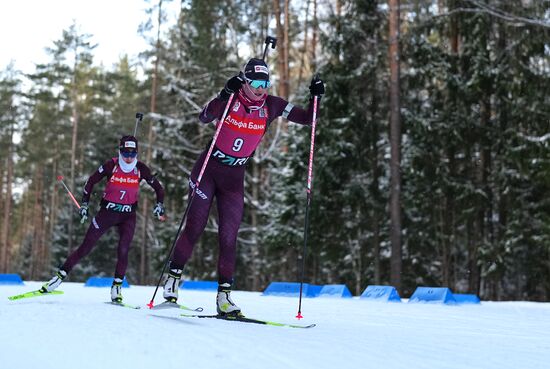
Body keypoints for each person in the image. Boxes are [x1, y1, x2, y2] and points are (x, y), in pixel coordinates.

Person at [162, 57, 325, 316]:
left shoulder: (272, 105)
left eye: (265, 83)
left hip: (234, 176)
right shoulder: (231, 99)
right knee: (196, 226)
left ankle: (224, 297)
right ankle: (172, 282)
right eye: (256, 83)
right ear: (245, 82)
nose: (262, 89)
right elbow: (204, 117)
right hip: (209, 168)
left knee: (229, 237)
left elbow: (307, 119)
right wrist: (225, 93)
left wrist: (316, 98)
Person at [41, 135, 165, 302]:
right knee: (86, 247)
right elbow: (90, 182)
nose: (129, 158)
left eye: (133, 154)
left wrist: (159, 205)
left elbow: (159, 189)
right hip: (107, 213)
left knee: (123, 250)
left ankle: (117, 288)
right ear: (120, 151)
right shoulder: (111, 165)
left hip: (128, 216)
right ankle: (58, 278)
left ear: (137, 153)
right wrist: (84, 205)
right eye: (125, 153)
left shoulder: (141, 169)